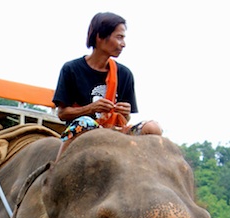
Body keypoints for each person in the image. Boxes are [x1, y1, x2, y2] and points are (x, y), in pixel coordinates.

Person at [52, 11, 162, 147]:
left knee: (152, 127)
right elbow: (62, 113)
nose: (123, 44)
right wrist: (91, 109)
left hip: (114, 131)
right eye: (119, 37)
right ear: (100, 37)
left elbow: (126, 119)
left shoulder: (124, 74)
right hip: (84, 131)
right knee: (85, 121)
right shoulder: (72, 69)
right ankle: (61, 160)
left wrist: (125, 113)